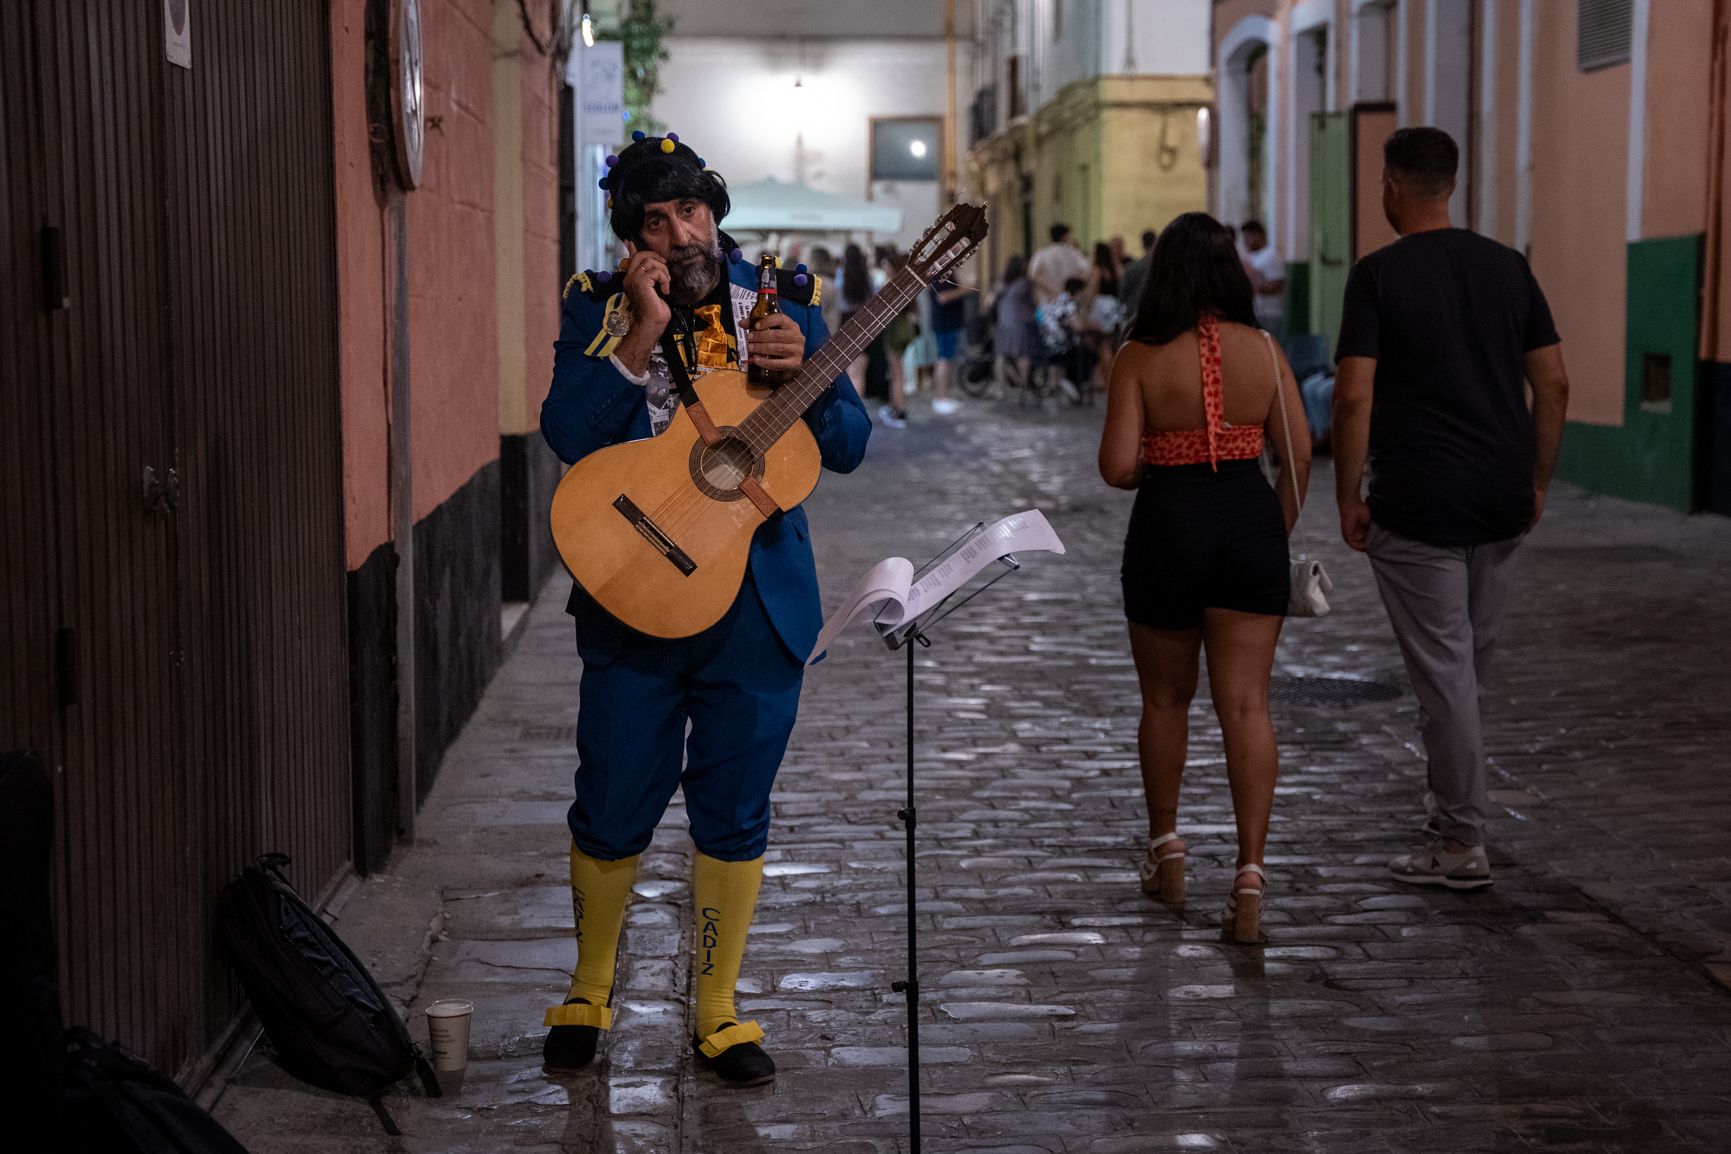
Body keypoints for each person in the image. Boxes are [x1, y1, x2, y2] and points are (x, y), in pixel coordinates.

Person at [539, 130, 872, 1084]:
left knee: (734, 807)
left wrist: (802, 377)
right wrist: (637, 332)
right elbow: (568, 432)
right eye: (655, 219)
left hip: (757, 606)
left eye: (690, 211)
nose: (679, 233)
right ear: (631, 238)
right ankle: (589, 988)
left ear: (715, 216)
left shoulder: (785, 301)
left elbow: (847, 445)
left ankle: (716, 1008)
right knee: (610, 796)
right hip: (636, 591)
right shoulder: (597, 307)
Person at [1333, 126, 1569, 890]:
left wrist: (1346, 496)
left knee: (1444, 674)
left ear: (1392, 187)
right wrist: (1535, 480)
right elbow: (1555, 383)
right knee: (1466, 670)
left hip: (1419, 501)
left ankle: (1462, 838)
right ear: (1452, 184)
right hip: (1500, 499)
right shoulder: (1508, 268)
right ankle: (1449, 811)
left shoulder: (1376, 277)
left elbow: (1353, 393)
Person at [1097, 212, 1310, 944]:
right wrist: (1268, 531)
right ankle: (1249, 875)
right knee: (1247, 707)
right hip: (1247, 523)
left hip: (1166, 529)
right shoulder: (1264, 350)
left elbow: (1117, 466)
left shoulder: (1138, 357)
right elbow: (1300, 456)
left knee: (1163, 700)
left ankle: (1168, 849)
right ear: (1230, 273)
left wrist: (1167, 456)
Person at [927, 269, 970, 416]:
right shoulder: (939, 274)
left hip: (949, 322)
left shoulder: (945, 272)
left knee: (947, 360)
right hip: (945, 323)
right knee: (944, 360)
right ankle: (941, 398)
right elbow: (942, 297)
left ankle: (945, 397)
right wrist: (963, 290)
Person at [993, 255, 1036, 392]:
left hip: (1003, 322)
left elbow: (991, 300)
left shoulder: (1003, 283)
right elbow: (1033, 302)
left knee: (1001, 356)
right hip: (1019, 322)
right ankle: (1023, 385)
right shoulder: (1025, 283)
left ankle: (1002, 387)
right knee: (1022, 354)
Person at [1240, 220, 1285, 338]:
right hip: (1255, 312)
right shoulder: (1250, 256)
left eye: (1247, 237)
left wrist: (1254, 286)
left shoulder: (1271, 255)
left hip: (1269, 313)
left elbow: (1278, 285)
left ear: (1258, 235)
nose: (1245, 242)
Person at [1028, 222, 1090, 304]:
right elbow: (1087, 270)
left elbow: (1032, 276)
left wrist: (1047, 290)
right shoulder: (1073, 253)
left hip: (1049, 302)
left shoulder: (1041, 254)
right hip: (1070, 301)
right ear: (1064, 236)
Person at [1118, 228, 1157, 318]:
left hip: (1133, 310)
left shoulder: (1132, 267)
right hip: (1153, 311)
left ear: (1143, 244)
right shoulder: (1162, 267)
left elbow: (1122, 291)